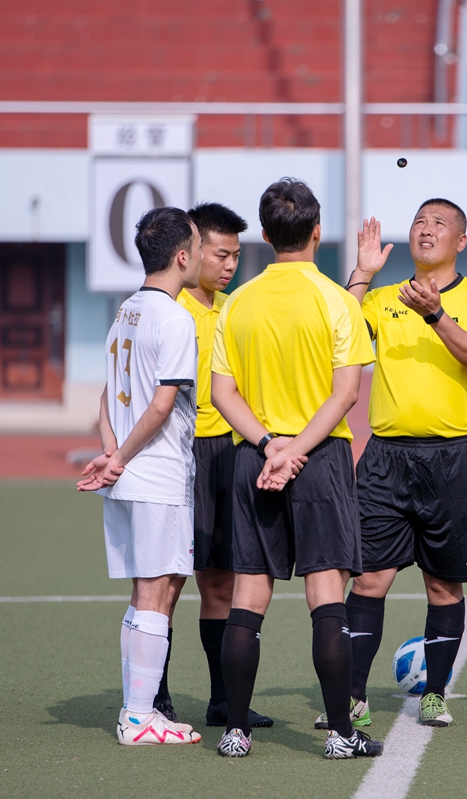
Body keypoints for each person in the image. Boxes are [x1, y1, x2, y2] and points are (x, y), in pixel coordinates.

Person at [209, 177, 384, 760]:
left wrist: (268, 446)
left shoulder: (237, 304)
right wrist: (297, 451)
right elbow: (344, 397)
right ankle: (341, 733)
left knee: (248, 596)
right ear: (316, 232)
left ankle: (235, 731)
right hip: (321, 459)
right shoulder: (338, 300)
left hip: (251, 459)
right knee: (326, 594)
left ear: (262, 235)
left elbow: (222, 392)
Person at [333, 199, 467, 730]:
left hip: (452, 458)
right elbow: (335, 337)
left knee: (443, 586)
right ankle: (352, 698)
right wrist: (361, 275)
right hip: (385, 459)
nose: (426, 230)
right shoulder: (381, 299)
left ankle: (435, 694)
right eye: (419, 222)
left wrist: (435, 314)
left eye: (440, 224)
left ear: (461, 242)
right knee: (367, 582)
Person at [77, 206, 204, 746]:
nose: (201, 256)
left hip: (130, 475)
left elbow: (106, 395)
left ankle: (141, 710)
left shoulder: (125, 310)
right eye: (198, 247)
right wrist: (122, 456)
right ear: (181, 257)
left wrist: (110, 452)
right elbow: (159, 406)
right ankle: (137, 718)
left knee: (148, 593)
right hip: (155, 473)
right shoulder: (174, 317)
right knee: (157, 593)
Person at [149, 202, 274, 730]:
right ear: (192, 250)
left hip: (229, 453)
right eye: (219, 254)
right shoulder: (166, 311)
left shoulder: (235, 308)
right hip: (181, 455)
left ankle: (224, 702)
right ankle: (152, 696)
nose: (228, 265)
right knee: (168, 582)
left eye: (236, 256)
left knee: (221, 582)